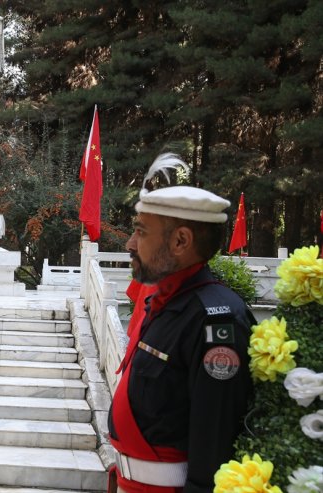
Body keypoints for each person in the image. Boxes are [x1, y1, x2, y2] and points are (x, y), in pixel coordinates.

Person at [107, 154, 255, 493]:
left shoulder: (216, 321)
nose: (130, 244)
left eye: (141, 233)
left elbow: (215, 445)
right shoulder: (166, 303)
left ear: (180, 242)